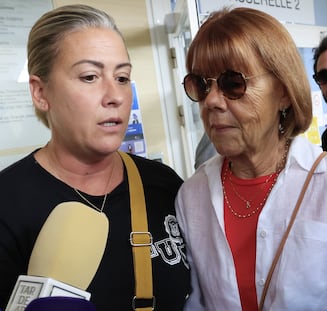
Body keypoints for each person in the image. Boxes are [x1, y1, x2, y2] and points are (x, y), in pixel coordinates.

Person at [175, 7, 327, 311]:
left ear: (283, 92)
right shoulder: (192, 196)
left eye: (232, 83)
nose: (211, 100)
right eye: (201, 84)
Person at [0, 5, 190, 311]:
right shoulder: (7, 203)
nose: (114, 95)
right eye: (89, 77)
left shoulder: (164, 184)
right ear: (40, 93)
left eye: (123, 77)